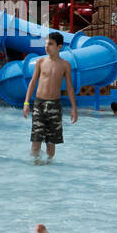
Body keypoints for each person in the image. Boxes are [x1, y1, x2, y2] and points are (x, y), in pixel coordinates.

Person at [22, 31, 77, 162]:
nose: (47, 47)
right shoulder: (40, 61)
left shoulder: (65, 65)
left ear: (59, 46)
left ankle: (49, 168)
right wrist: (26, 103)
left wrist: (74, 108)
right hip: (39, 104)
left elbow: (69, 87)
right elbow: (33, 82)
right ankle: (35, 165)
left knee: (51, 144)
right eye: (46, 44)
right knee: (36, 141)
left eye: (50, 44)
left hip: (55, 106)